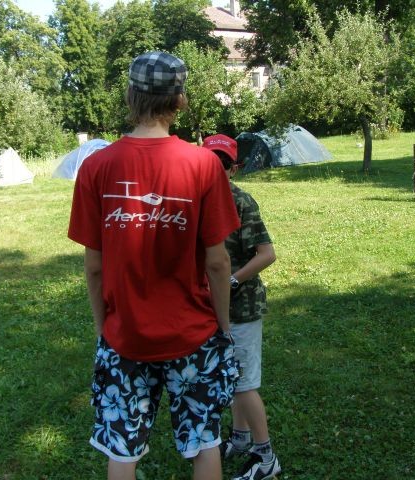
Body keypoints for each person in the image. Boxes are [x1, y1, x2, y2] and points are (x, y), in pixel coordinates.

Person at [68, 52, 241, 480]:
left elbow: (94, 266)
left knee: (122, 451)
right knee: (204, 443)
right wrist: (223, 326)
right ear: (179, 99)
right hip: (194, 333)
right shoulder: (204, 164)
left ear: (130, 96)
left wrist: (103, 326)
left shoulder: (96, 167)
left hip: (124, 335)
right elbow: (218, 262)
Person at [202, 134, 281, 480]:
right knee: (232, 378)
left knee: (244, 383)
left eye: (222, 164)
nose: (215, 169)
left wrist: (230, 282)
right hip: (211, 308)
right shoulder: (197, 201)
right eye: (209, 162)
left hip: (243, 308)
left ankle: (266, 457)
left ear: (233, 169)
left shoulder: (241, 202)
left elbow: (267, 254)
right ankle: (240, 437)